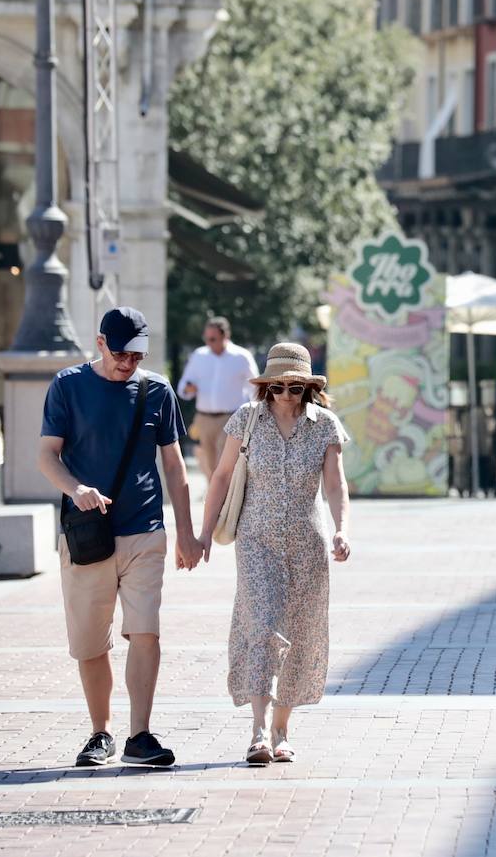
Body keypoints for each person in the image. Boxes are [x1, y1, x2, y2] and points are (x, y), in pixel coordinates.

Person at [37, 307, 198, 768]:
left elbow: (173, 464)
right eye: (122, 352)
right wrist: (77, 489)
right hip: (88, 535)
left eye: (138, 353)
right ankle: (100, 733)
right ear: (101, 342)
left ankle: (140, 736)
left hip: (144, 530)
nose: (129, 361)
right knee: (91, 642)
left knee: (146, 630)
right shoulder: (68, 386)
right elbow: (47, 456)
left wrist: (185, 531)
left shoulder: (156, 390)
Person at [199, 343, 352, 763]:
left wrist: (342, 530)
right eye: (278, 387)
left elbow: (336, 485)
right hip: (256, 540)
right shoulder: (247, 420)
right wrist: (204, 532)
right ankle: (258, 730)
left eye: (295, 388)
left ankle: (283, 730)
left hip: (307, 541)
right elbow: (221, 476)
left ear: (308, 388)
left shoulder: (325, 426)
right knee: (264, 624)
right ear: (266, 387)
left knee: (301, 632)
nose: (286, 395)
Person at [176, 316, 259, 479]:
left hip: (231, 418)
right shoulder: (199, 355)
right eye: (206, 338)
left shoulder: (241, 356)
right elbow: (182, 388)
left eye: (212, 339)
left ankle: (226, 502)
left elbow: (255, 388)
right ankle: (216, 502)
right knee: (209, 467)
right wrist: (188, 388)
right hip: (204, 420)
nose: (208, 342)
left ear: (225, 336)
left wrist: (254, 415)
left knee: (225, 465)